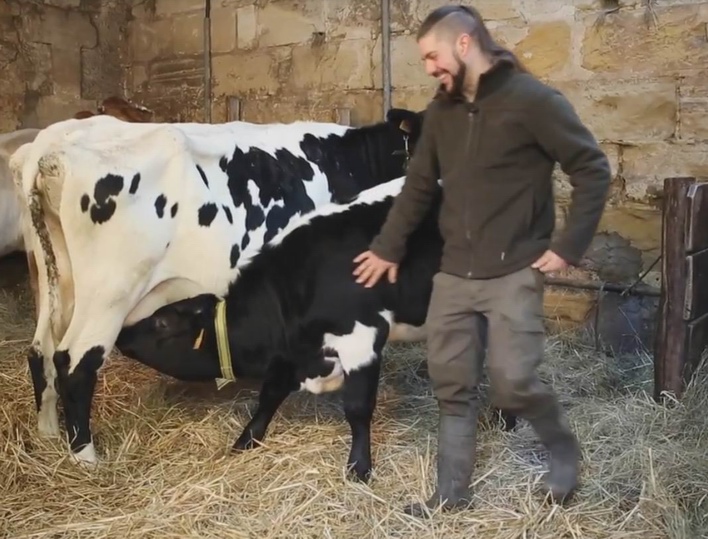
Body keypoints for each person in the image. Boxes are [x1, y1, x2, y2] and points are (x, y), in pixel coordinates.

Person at [352, 4, 611, 518]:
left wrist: (568, 244)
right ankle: (451, 495)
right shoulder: (444, 112)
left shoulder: (532, 101)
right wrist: (387, 246)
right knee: (451, 384)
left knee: (513, 382)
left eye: (432, 55)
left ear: (464, 44)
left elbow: (591, 166)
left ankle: (563, 452)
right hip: (453, 273)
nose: (427, 68)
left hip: (515, 269)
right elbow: (419, 186)